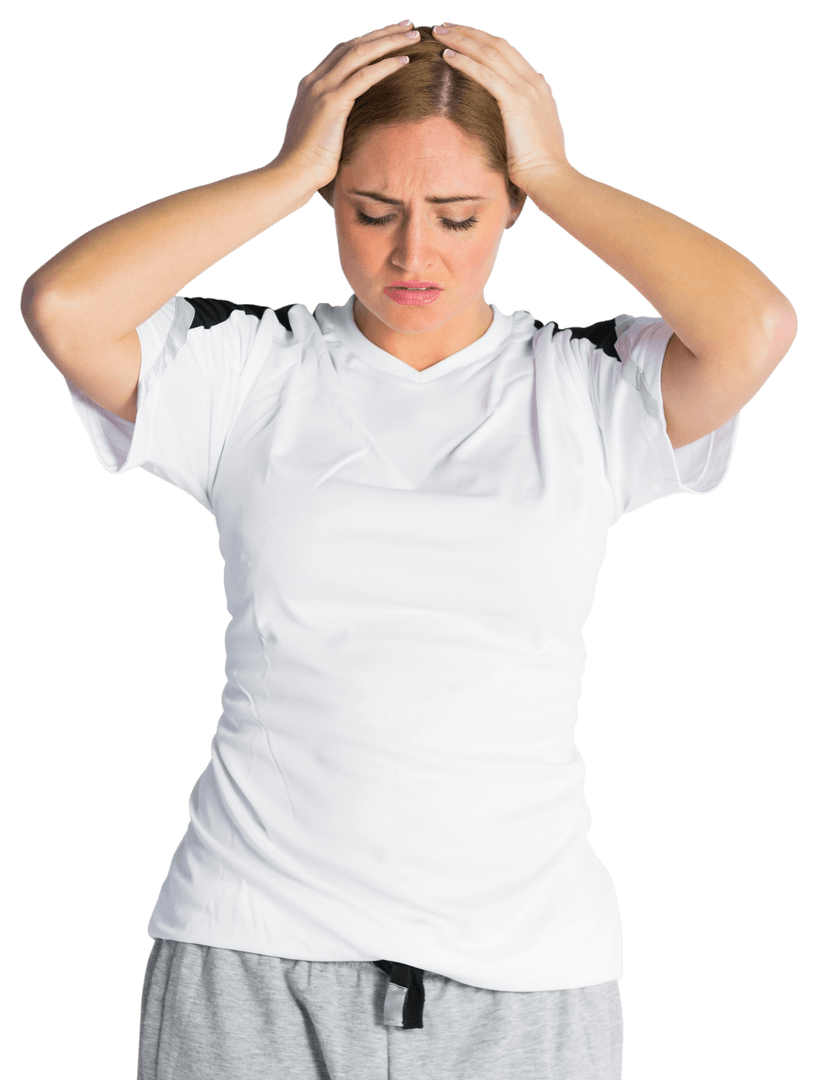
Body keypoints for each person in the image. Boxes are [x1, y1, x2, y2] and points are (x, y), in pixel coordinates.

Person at [20, 19, 797, 1080]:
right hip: (250, 947)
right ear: (330, 203)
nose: (411, 253)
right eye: (370, 209)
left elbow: (753, 328)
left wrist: (555, 171)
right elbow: (65, 307)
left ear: (511, 208)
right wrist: (287, 166)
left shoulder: (586, 384)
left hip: (525, 968)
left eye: (458, 214)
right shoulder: (246, 369)